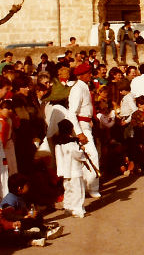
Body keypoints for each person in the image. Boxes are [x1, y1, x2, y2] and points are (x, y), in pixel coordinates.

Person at [65, 63, 101, 198]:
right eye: (88, 73)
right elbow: (72, 112)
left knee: (88, 156)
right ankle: (92, 187)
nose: (90, 75)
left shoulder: (84, 87)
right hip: (81, 126)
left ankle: (89, 185)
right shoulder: (77, 89)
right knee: (92, 155)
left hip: (86, 124)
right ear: (81, 75)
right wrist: (79, 132)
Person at [53, 119, 87, 218]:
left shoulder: (59, 143)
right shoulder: (71, 143)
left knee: (68, 189)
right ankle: (77, 210)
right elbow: (77, 154)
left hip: (65, 171)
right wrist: (82, 149)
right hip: (74, 170)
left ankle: (68, 208)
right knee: (78, 190)